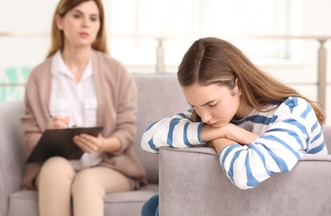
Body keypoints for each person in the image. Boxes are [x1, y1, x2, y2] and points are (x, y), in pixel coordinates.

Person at [140, 37, 328, 216]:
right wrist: (225, 131)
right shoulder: (218, 120)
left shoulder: (293, 111)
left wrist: (217, 138)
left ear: (236, 85)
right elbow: (149, 139)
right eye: (194, 106)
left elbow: (246, 173)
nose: (204, 116)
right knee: (154, 205)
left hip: (288, 206)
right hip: (243, 204)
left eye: (211, 104)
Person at [20, 0, 146, 216]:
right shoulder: (38, 76)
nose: (86, 24)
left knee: (87, 180)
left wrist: (103, 144)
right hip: (57, 163)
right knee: (54, 169)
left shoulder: (116, 71)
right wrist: (49, 135)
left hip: (109, 166)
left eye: (93, 18)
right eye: (77, 16)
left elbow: (127, 131)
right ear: (59, 21)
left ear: (99, 26)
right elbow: (30, 137)